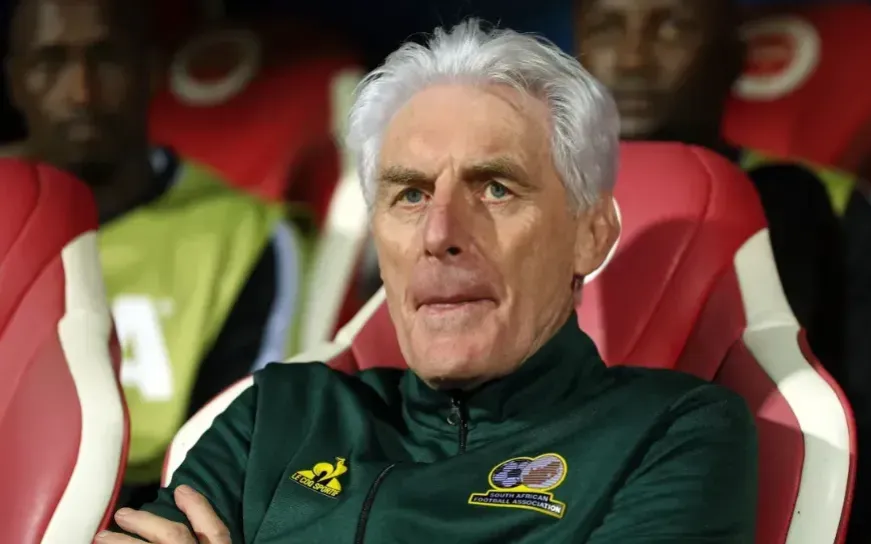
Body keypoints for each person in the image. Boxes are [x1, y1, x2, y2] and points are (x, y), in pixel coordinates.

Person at [96, 20, 759, 543]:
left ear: (590, 234)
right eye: (410, 195)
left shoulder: (673, 435)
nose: (440, 233)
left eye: (495, 188)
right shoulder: (275, 416)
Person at [574, 0, 871, 541]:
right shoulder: (515, 206)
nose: (633, 59)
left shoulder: (831, 207)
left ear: (734, 54)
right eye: (606, 27)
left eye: (671, 27)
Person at [5, 0, 306, 508]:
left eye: (106, 59)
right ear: (15, 82)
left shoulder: (245, 238)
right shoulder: (7, 211)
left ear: (150, 70)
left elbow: (237, 457)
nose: (81, 92)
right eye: (50, 63)